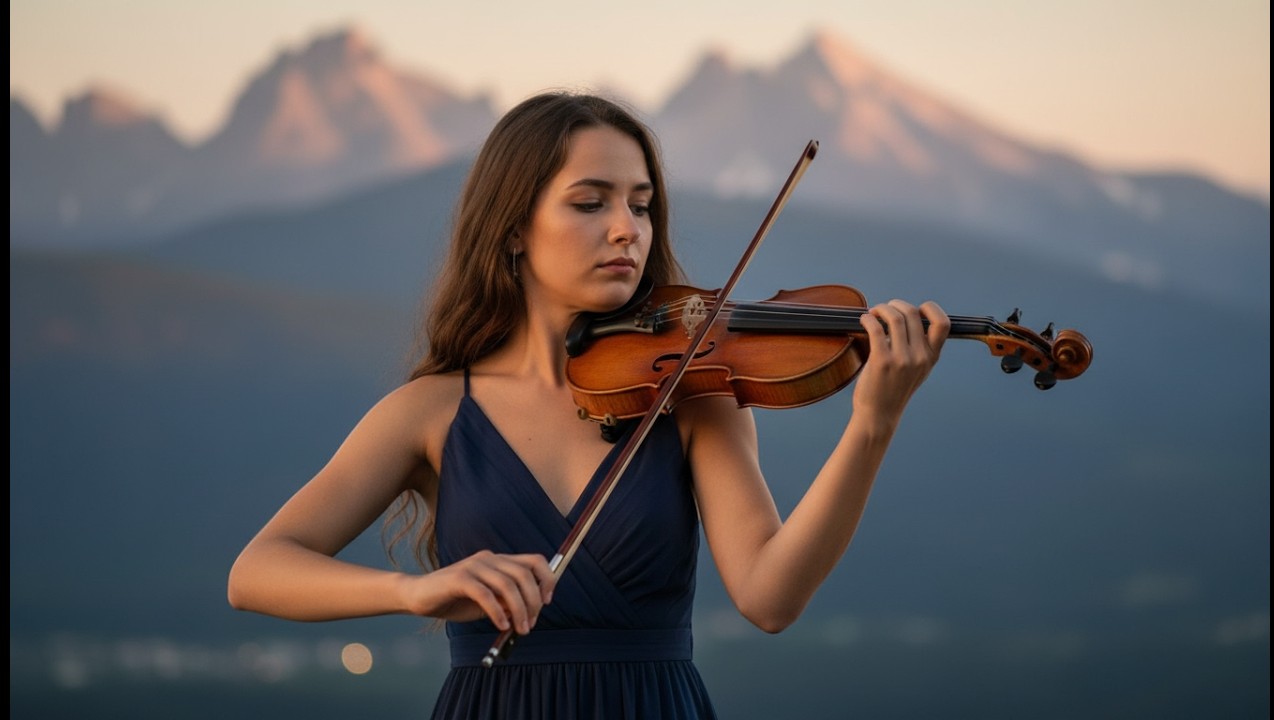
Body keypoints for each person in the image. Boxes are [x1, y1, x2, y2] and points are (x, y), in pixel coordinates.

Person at [227, 91, 950, 719]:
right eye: (590, 202)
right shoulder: (432, 412)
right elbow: (256, 571)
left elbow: (770, 598)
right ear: (514, 228)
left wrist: (873, 424)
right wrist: (413, 592)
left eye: (641, 204)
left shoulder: (693, 395)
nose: (627, 229)